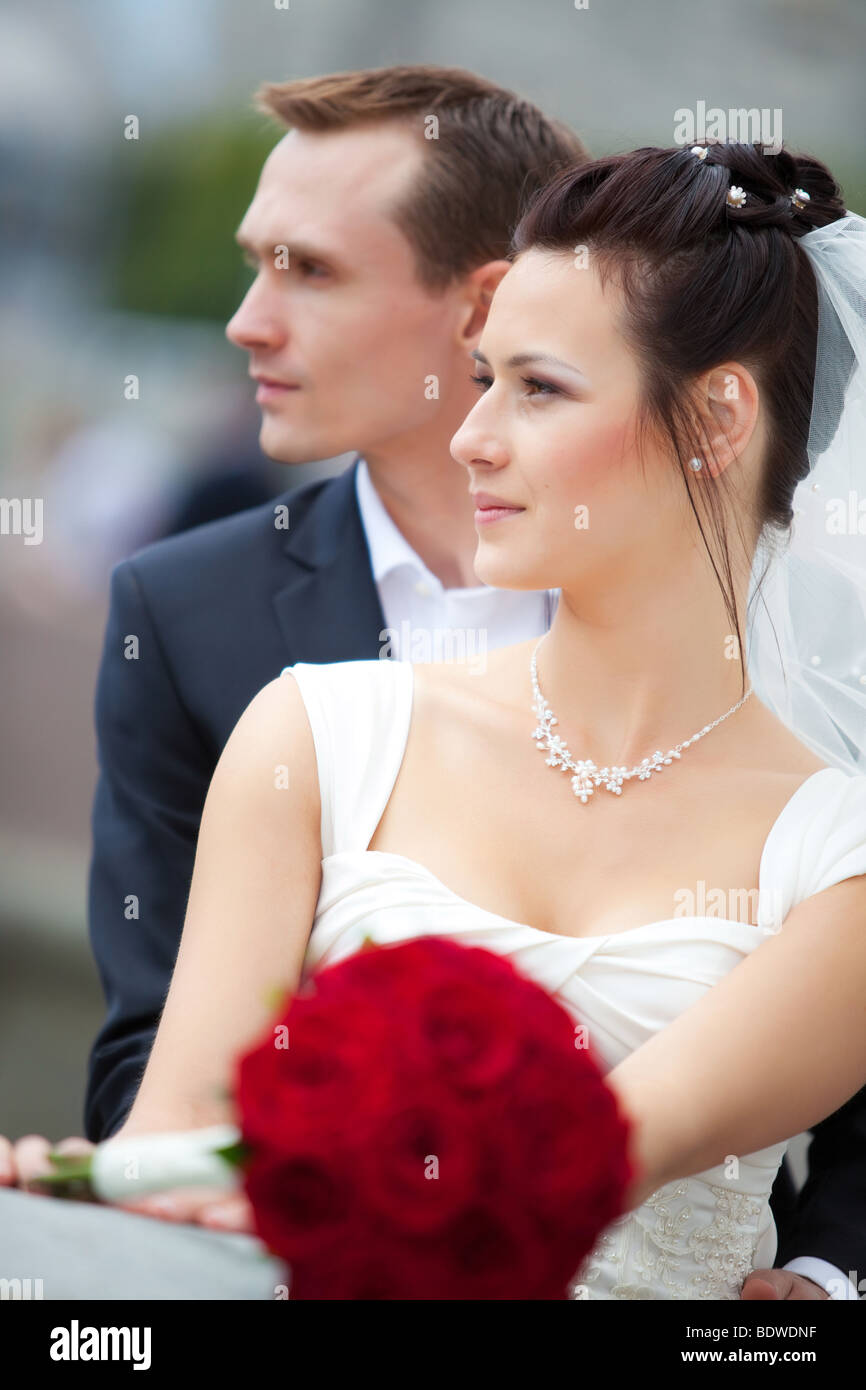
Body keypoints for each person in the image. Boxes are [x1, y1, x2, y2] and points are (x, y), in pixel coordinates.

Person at [0, 81, 862, 1298]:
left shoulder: (837, 856)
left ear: (713, 418)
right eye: (481, 376)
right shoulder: (314, 727)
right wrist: (90, 1195)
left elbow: (576, 1166)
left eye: (539, 388)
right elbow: (171, 1132)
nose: (470, 436)